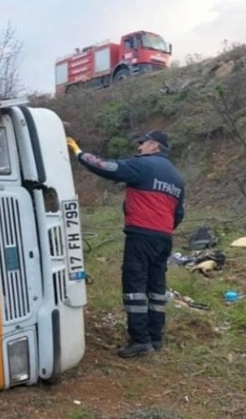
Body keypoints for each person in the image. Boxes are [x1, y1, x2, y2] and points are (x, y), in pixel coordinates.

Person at [66, 130, 185, 358]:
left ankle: (140, 340)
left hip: (140, 235)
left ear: (153, 146)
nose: (139, 148)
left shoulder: (144, 165)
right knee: (156, 287)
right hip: (163, 238)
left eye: (142, 144)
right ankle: (156, 337)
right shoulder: (177, 178)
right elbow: (178, 214)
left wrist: (80, 153)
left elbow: (108, 168)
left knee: (135, 286)